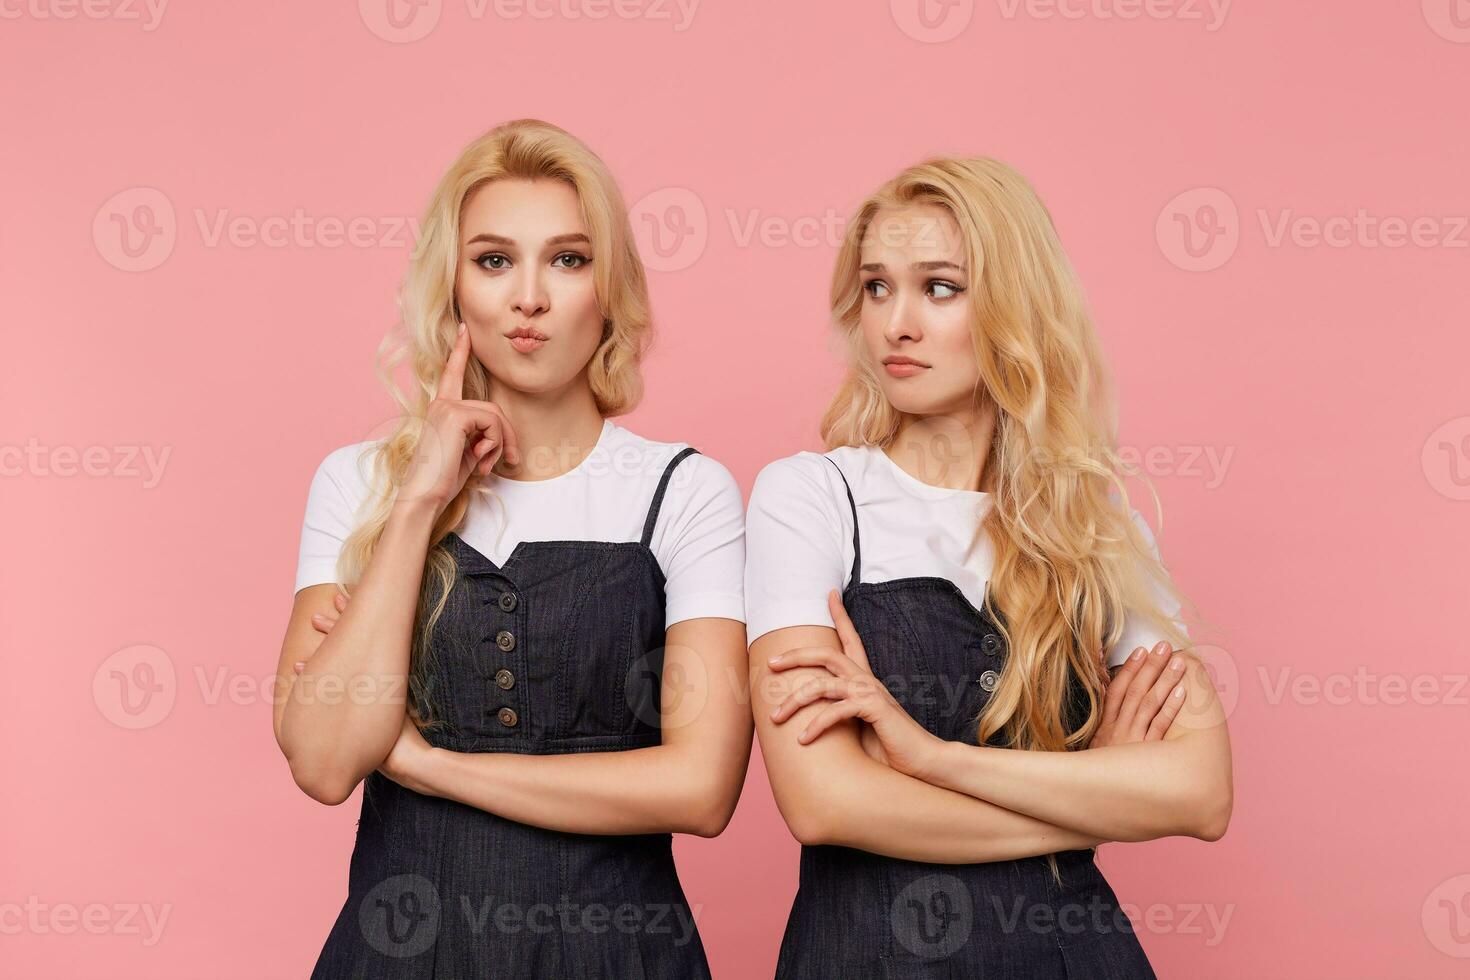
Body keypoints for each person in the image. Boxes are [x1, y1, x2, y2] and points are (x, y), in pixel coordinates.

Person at [272, 119, 751, 978]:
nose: (528, 297)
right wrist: (419, 500)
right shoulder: (360, 485)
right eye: (494, 261)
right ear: (452, 285)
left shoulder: (684, 490)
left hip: (620, 958)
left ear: (610, 289)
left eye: (568, 260)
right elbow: (323, 759)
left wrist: (426, 763)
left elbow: (703, 789)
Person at [745, 156, 1233, 978]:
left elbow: (1201, 792)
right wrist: (1093, 794)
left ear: (1014, 306)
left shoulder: (1092, 521)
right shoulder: (810, 496)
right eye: (876, 287)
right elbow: (824, 802)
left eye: (939, 288)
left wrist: (929, 758)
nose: (897, 323)